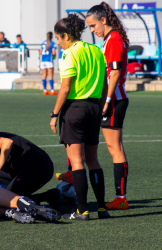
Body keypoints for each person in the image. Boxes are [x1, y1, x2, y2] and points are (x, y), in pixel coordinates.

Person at [49, 14, 109, 221]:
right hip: (94, 107)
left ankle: (82, 211)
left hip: (74, 109)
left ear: (66, 35)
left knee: (76, 162)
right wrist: (99, 108)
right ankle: (102, 208)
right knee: (93, 160)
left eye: (58, 38)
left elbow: (66, 87)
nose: (58, 43)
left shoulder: (68, 54)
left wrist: (54, 114)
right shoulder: (96, 50)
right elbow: (105, 84)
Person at [86, 2, 130, 210]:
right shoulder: (111, 39)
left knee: (115, 149)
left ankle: (121, 197)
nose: (92, 31)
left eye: (93, 26)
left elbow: (114, 73)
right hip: (114, 98)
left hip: (114, 100)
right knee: (114, 148)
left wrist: (107, 100)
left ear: (103, 20)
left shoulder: (113, 40)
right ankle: (120, 196)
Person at [0, 133, 60, 210]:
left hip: (40, 167)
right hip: (30, 167)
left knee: (8, 200)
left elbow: (7, 142)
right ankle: (48, 196)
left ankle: (43, 198)